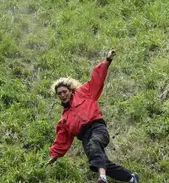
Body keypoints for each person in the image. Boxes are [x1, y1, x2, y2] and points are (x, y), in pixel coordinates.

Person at [46, 50, 141, 183]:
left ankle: (102, 179)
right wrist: (55, 155)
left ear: (70, 90)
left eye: (64, 91)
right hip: (84, 137)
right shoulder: (64, 119)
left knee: (95, 144)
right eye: (59, 93)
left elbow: (97, 78)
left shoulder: (84, 92)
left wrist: (107, 61)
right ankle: (131, 178)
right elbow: (62, 138)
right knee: (101, 162)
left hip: (97, 128)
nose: (62, 95)